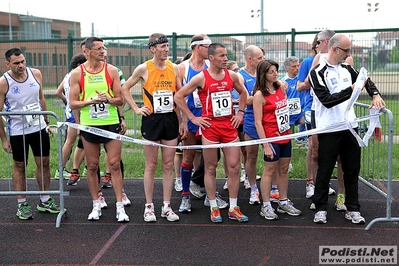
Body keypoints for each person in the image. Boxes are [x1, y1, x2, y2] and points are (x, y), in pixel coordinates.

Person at [309, 33, 385, 224]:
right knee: (325, 169)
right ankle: (320, 208)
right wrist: (351, 90)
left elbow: (364, 79)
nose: (349, 53)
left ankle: (353, 208)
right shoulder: (317, 72)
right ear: (334, 49)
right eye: (346, 50)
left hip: (350, 127)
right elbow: (326, 101)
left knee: (352, 169)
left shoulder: (347, 68)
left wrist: (375, 95)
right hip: (329, 128)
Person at [175, 42, 249, 223]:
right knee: (210, 167)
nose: (226, 59)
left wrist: (240, 113)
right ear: (211, 58)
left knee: (233, 167)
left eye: (226, 56)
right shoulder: (201, 78)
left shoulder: (232, 75)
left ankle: (233, 207)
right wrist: (193, 118)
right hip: (210, 128)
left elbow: (243, 93)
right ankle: (214, 207)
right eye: (222, 56)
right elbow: (178, 96)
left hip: (229, 127)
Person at [121, 33, 181, 222]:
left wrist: (183, 121)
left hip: (170, 118)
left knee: (169, 165)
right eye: (162, 46)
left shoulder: (175, 68)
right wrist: (137, 108)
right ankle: (148, 207)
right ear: (152, 49)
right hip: (152, 119)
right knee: (151, 165)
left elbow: (179, 95)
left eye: (167, 46)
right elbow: (125, 88)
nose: (166, 49)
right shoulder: (144, 68)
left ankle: (167, 206)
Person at [69, 36, 129, 223]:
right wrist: (91, 101)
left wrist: (107, 100)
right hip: (89, 124)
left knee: (114, 164)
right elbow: (73, 103)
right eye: (98, 49)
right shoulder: (77, 73)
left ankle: (120, 207)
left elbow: (120, 99)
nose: (103, 52)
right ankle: (96, 204)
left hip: (110, 122)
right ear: (87, 51)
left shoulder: (111, 71)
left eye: (104, 48)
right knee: (92, 165)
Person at [0, 47, 60, 220]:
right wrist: (4, 139)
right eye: (16, 63)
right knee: (20, 166)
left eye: (23, 61)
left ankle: (44, 199)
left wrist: (46, 121)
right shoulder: (4, 82)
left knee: (44, 163)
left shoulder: (36, 74)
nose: (21, 65)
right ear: (7, 64)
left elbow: (41, 98)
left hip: (38, 128)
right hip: (18, 131)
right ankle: (22, 204)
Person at [177, 34, 227, 213]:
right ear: (198, 47)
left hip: (210, 121)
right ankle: (185, 196)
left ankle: (208, 194)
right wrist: (185, 120)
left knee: (212, 159)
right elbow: (178, 96)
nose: (211, 49)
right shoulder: (182, 68)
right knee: (188, 157)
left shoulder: (210, 66)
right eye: (208, 46)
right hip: (192, 119)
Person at [253, 59, 302, 220]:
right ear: (263, 74)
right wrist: (265, 144)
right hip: (271, 137)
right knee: (270, 171)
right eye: (271, 72)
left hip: (285, 135)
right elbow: (258, 122)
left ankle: (283, 201)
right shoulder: (259, 95)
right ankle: (266, 205)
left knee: (284, 170)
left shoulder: (281, 87)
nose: (275, 74)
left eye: (276, 71)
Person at [54, 53, 87, 183]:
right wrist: (78, 122)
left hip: (71, 111)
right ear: (80, 65)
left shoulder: (68, 75)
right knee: (74, 141)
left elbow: (58, 92)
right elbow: (76, 97)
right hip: (76, 113)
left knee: (74, 142)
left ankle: (79, 168)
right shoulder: (76, 76)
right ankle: (61, 170)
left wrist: (67, 101)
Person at [239, 45, 265, 204]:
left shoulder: (265, 72)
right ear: (250, 59)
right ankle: (254, 188)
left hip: (268, 119)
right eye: (260, 58)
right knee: (251, 155)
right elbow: (244, 100)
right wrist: (260, 97)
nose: (263, 60)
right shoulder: (240, 76)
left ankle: (274, 189)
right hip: (250, 120)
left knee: (273, 156)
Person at [296, 34, 318, 204]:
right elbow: (299, 86)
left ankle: (321, 182)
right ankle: (310, 182)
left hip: (331, 111)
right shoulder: (307, 62)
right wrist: (314, 80)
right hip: (312, 108)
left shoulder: (341, 61)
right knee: (313, 145)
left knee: (327, 148)